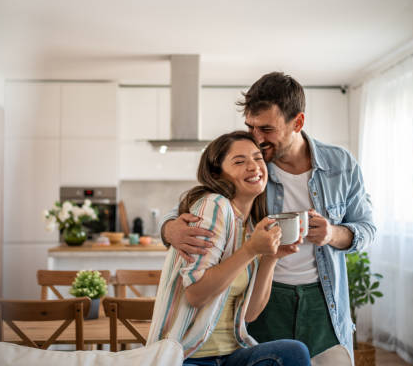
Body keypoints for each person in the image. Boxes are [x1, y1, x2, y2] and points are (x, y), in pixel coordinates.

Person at [160, 72, 376, 364]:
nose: (257, 139)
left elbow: (366, 228)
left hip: (322, 299)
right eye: (250, 126)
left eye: (266, 128)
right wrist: (170, 230)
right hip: (263, 297)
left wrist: (331, 234)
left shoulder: (340, 164)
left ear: (297, 122)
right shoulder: (253, 167)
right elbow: (187, 211)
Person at [147, 131, 311, 366]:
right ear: (216, 173)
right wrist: (250, 250)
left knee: (293, 352)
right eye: (239, 161)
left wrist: (270, 258)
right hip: (187, 356)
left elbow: (251, 313)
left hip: (232, 355)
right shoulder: (215, 206)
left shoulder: (251, 224)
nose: (253, 167)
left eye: (257, 158)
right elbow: (195, 294)